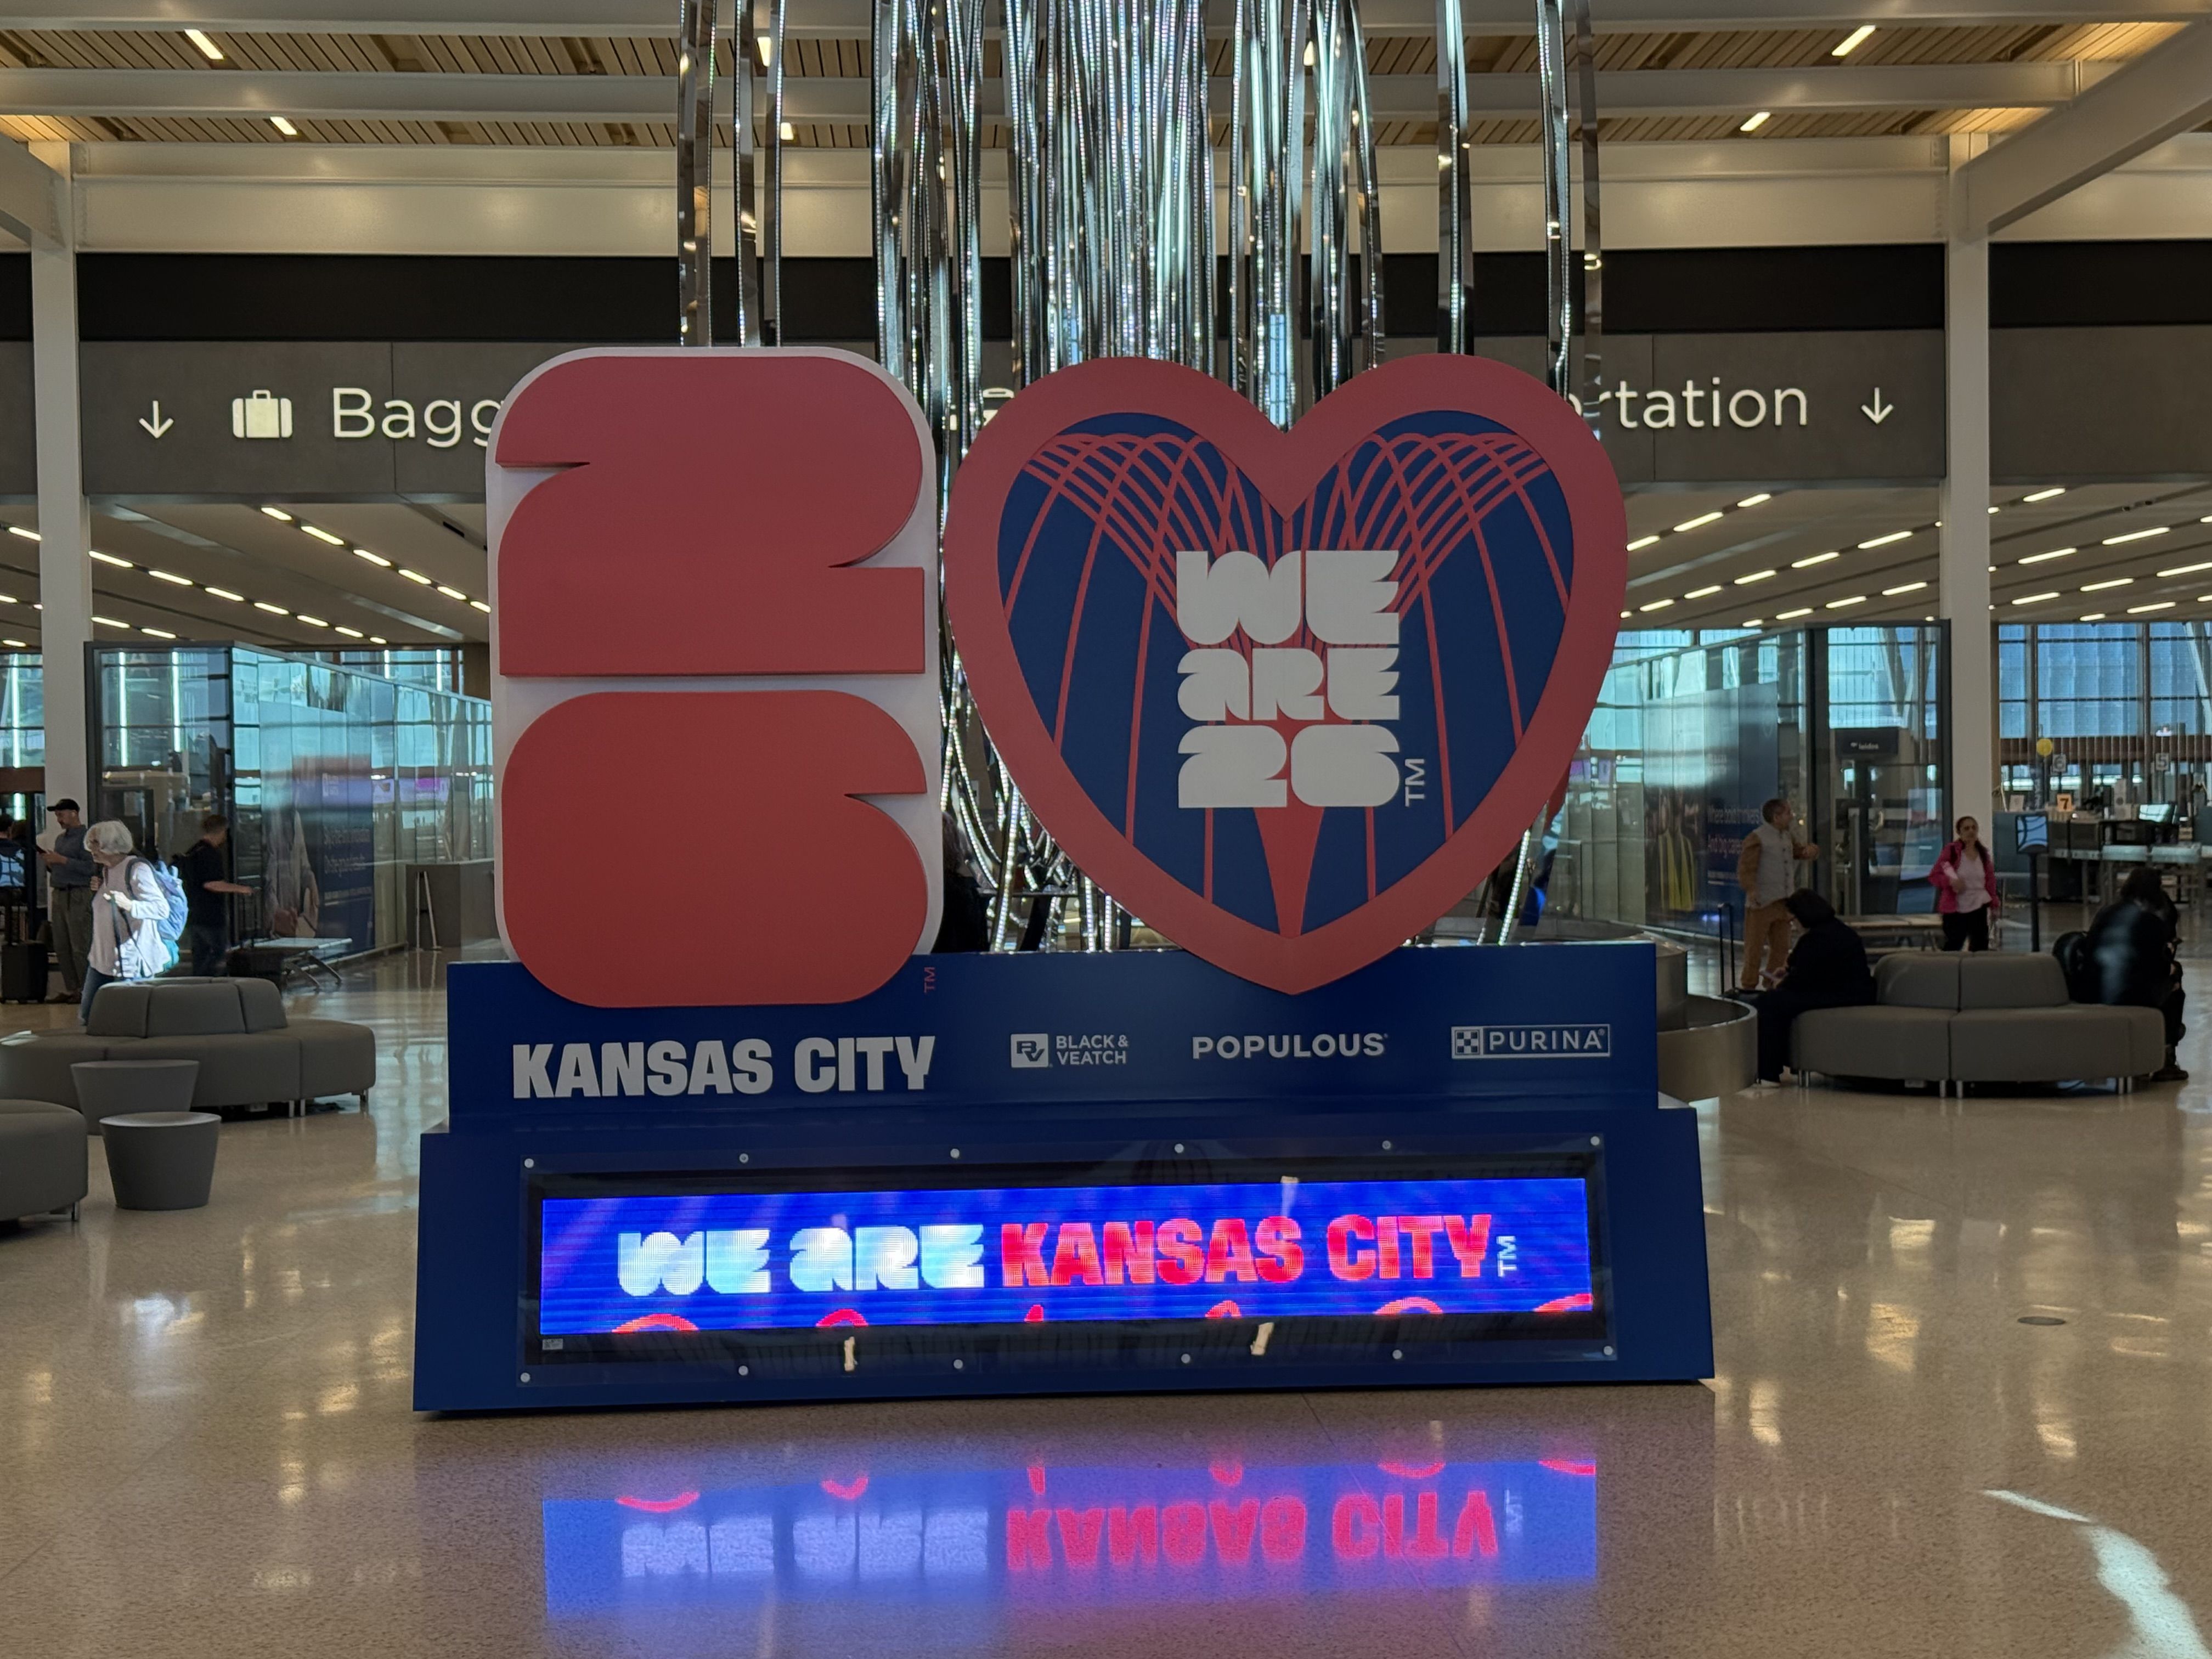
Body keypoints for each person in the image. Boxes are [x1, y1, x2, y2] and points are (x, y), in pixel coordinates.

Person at [1751, 890, 1874, 1085]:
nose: (1793, 925)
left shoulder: (1816, 939)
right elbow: (1809, 970)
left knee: (1769, 1004)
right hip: (1852, 992)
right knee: (1778, 1001)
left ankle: (1768, 1072)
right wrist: (1788, 972)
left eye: (1794, 920)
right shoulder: (1837, 931)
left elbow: (1802, 979)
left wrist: (1780, 983)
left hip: (1841, 995)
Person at [2083, 865, 2187, 1084]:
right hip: (2131, 995)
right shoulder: (2152, 922)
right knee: (2175, 985)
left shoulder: (2105, 913)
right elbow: (2158, 968)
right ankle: (2166, 1056)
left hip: (2090, 991)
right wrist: (2172, 970)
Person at [79, 820, 172, 1024]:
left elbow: (161, 909)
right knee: (88, 1018)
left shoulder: (137, 869)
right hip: (101, 959)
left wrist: (130, 905)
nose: (92, 848)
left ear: (112, 843)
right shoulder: (107, 870)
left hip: (129, 962)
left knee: (131, 1020)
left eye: (96, 842)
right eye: (91, 842)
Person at [1737, 797, 1820, 992]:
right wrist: (1751, 889)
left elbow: (1798, 851)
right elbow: (1746, 868)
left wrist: (1810, 851)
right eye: (1788, 813)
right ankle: (1748, 985)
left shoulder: (1787, 837)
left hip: (1784, 902)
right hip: (1762, 902)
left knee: (1781, 947)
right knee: (1754, 947)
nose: (1791, 816)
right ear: (1776, 817)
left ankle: (1773, 981)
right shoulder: (1757, 838)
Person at [176, 813, 253, 975]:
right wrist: (241, 889)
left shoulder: (193, 850)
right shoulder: (210, 854)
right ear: (221, 831)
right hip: (210, 914)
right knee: (217, 952)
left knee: (201, 953)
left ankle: (198, 986)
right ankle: (205, 982)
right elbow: (212, 883)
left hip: (194, 911)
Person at [37, 798, 96, 1004]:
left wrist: (62, 861)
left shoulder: (87, 838)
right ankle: (73, 988)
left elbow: (91, 868)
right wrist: (52, 864)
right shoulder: (61, 839)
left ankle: (87, 988)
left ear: (74, 813)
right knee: (62, 945)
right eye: (57, 815)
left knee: (79, 943)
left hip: (78, 893)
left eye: (61, 814)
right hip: (60, 892)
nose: (59, 819)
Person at [1931, 814, 1999, 952]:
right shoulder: (1952, 852)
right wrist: (1950, 881)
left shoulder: (1983, 855)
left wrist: (1994, 904)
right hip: (1956, 908)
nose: (1971, 831)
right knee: (1954, 945)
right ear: (1960, 832)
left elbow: (1990, 881)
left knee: (1980, 946)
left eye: (1974, 828)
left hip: (1978, 906)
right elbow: (1935, 876)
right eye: (1967, 828)